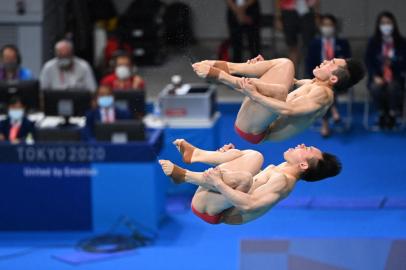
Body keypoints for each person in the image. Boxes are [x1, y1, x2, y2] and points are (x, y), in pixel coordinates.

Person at [159, 139, 341, 225]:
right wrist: (229, 158)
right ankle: (197, 154)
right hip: (222, 201)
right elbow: (256, 182)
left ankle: (185, 176)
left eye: (307, 148)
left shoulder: (283, 182)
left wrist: (219, 182)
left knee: (244, 178)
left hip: (219, 213)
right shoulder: (283, 167)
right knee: (254, 156)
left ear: (302, 164)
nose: (302, 144)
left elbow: (249, 205)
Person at [192, 56, 364, 144]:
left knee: (280, 90)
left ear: (333, 79)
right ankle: (227, 67)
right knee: (284, 64)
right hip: (256, 121)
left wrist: (255, 94)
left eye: (331, 63)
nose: (326, 60)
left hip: (257, 131)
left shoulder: (324, 95)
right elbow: (292, 81)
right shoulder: (313, 84)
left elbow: (287, 110)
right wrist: (263, 66)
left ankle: (222, 76)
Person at [306, 14, 352, 137]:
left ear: (335, 27)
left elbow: (348, 64)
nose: (327, 27)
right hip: (319, 77)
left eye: (330, 25)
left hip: (338, 78)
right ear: (320, 27)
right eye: (324, 25)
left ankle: (325, 122)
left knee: (329, 85)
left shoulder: (343, 43)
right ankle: (333, 111)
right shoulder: (314, 43)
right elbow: (309, 64)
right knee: (324, 86)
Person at [365, 11, 406, 130]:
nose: (386, 25)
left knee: (393, 87)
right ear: (379, 25)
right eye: (383, 23)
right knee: (375, 88)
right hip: (377, 77)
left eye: (388, 22)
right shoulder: (373, 42)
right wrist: (375, 76)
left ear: (393, 24)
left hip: (396, 77)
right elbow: (368, 61)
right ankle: (382, 113)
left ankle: (392, 113)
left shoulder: (401, 42)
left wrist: (393, 62)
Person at [274, 0, 319, 69]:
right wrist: (278, 17)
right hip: (289, 11)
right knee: (292, 46)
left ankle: (308, 71)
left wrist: (316, 15)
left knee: (308, 46)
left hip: (308, 11)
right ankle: (292, 72)